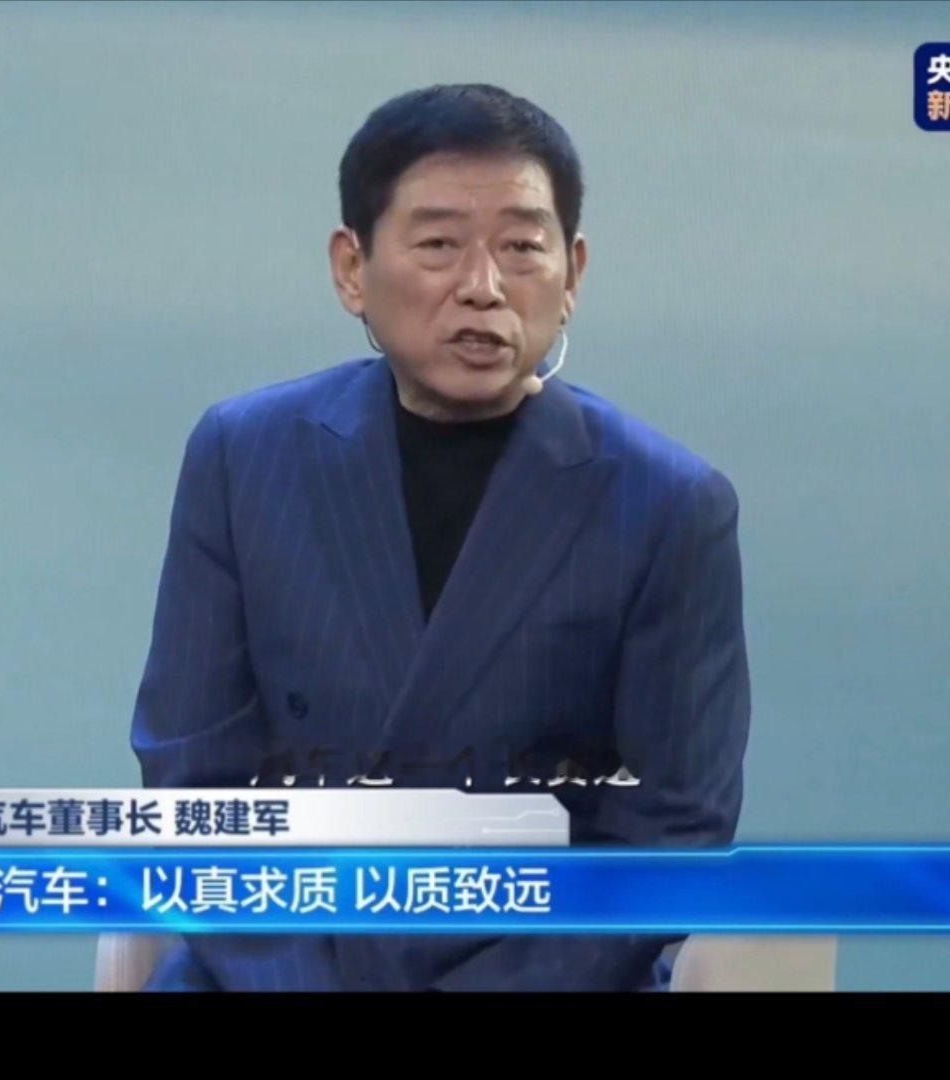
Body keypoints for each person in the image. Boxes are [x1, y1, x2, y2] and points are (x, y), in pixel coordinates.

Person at [130, 83, 750, 990]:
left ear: (573, 274)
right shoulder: (243, 456)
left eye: (522, 248)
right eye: (439, 246)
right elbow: (193, 778)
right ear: (352, 268)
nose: (483, 287)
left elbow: (669, 831)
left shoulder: (667, 505)